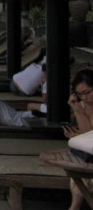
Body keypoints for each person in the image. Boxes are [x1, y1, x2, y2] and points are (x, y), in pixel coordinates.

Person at [65, 69, 93, 210]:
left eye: (87, 92)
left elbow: (89, 136)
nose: (85, 97)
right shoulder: (82, 105)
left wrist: (79, 112)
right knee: (79, 171)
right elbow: (87, 136)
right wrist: (77, 110)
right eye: (80, 94)